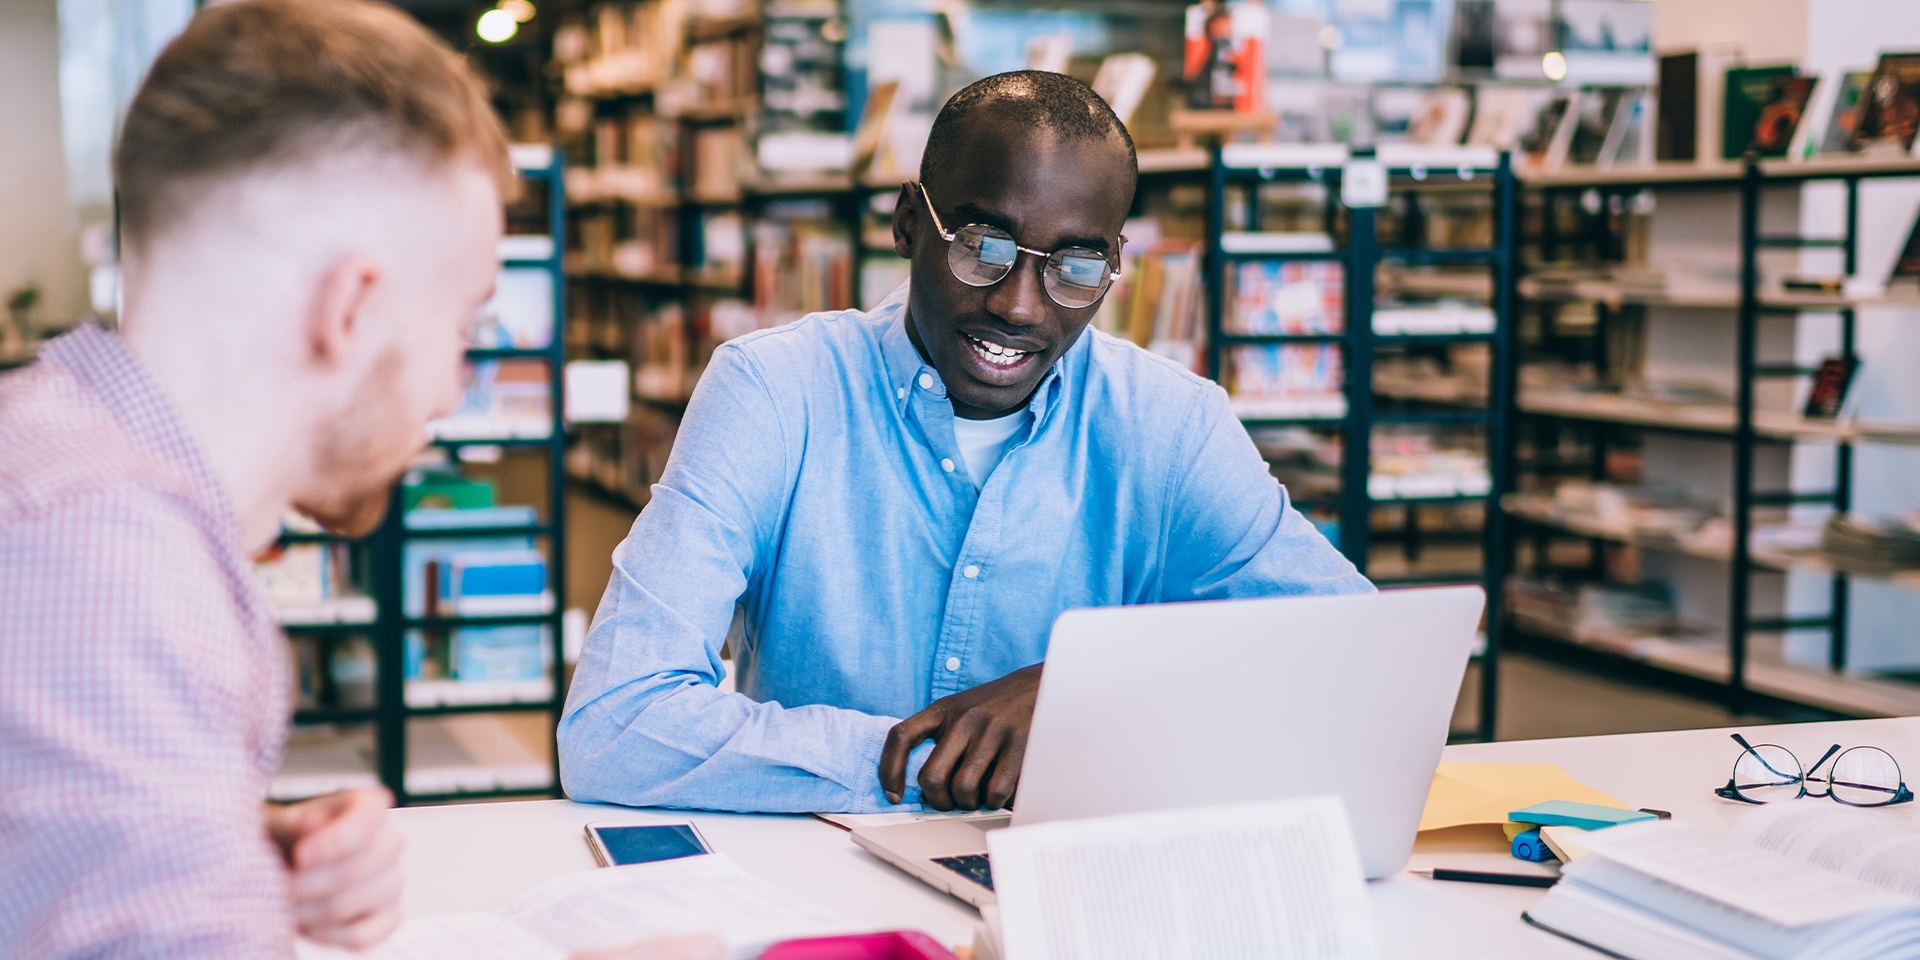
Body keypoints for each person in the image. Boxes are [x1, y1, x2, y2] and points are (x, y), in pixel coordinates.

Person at [0, 3, 716, 958]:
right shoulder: (106, 565)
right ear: (352, 307)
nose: (457, 386)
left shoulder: (58, 468)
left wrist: (228, 852)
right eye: (462, 326)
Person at [558, 70, 1372, 816]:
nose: (1021, 306)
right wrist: (932, 763)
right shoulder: (774, 393)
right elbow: (614, 726)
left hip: (1074, 886)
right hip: (821, 884)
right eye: (982, 247)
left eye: (1075, 266)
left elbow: (1355, 658)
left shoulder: (1171, 424)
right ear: (910, 222)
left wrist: (1091, 696)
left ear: (1115, 263)